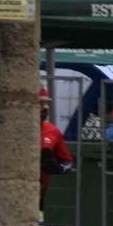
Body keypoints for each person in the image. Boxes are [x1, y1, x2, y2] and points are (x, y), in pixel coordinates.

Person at [38, 86, 71, 217]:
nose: (45, 107)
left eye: (47, 103)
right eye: (40, 103)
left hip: (42, 192)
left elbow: (67, 161)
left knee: (37, 222)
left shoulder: (53, 131)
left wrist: (57, 167)